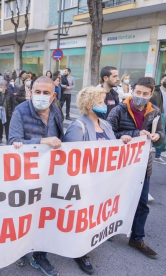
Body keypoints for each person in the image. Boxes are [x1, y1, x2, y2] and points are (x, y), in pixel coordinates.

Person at [64, 86, 129, 274]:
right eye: (99, 102)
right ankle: (80, 252)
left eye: (103, 101)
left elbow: (112, 144)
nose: (104, 105)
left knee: (97, 213)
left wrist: (122, 139)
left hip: (104, 181)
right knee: (82, 216)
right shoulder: (78, 127)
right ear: (88, 104)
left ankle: (95, 236)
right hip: (85, 182)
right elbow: (69, 158)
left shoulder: (106, 124)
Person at [9, 76, 63, 276]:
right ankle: (21, 249)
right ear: (30, 92)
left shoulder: (56, 111)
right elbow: (13, 141)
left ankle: (40, 255)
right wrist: (42, 141)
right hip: (27, 175)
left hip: (50, 174)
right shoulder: (20, 111)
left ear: (53, 95)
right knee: (26, 215)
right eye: (37, 92)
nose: (41, 96)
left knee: (46, 215)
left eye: (46, 93)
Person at [107, 77, 163, 259]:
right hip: (119, 165)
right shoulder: (119, 110)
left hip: (142, 166)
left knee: (142, 204)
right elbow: (108, 134)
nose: (140, 96)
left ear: (151, 94)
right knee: (112, 199)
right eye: (137, 92)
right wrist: (133, 134)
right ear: (132, 91)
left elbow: (161, 135)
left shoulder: (154, 112)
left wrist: (157, 137)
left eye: (145, 94)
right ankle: (106, 229)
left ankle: (137, 238)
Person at [0, 80, 16, 144]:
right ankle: (0, 138)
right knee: (0, 126)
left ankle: (8, 139)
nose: (0, 88)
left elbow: (13, 102)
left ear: (5, 87)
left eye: (2, 87)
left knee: (8, 127)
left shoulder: (10, 93)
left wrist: (13, 110)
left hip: (8, 112)